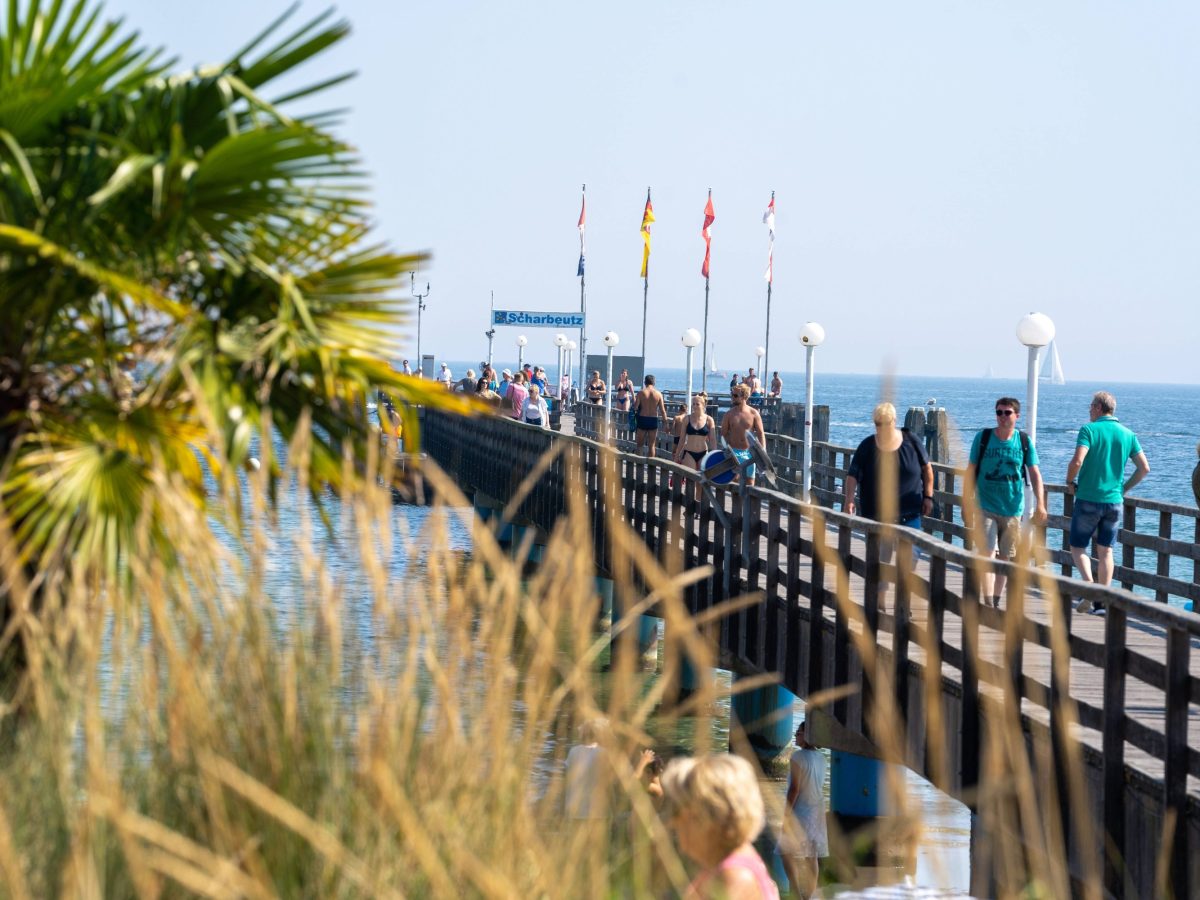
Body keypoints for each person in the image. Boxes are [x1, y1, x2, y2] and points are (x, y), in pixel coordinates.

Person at [844, 402, 934, 613]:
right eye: (877, 423)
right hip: (878, 517)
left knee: (909, 559)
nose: (880, 427)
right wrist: (849, 499)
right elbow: (852, 475)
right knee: (880, 562)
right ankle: (880, 603)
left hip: (909, 514)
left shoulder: (912, 442)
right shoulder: (867, 446)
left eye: (884, 423)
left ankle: (903, 603)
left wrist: (928, 496)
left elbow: (927, 470)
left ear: (893, 421)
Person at [1066, 391, 1150, 609]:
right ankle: (1102, 603)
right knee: (1106, 551)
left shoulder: (1088, 430)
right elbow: (1144, 468)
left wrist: (1069, 480)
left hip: (1087, 497)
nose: (1089, 410)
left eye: (1090, 406)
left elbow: (1077, 460)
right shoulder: (1128, 434)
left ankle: (1089, 587)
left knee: (1077, 547)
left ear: (1097, 407)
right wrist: (1124, 488)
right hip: (1114, 501)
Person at [963, 397, 1048, 608]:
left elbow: (1035, 473)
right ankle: (988, 600)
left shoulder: (1024, 442)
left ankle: (996, 599)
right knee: (987, 553)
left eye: (1007, 412)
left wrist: (1040, 504)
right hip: (985, 505)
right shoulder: (983, 438)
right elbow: (971, 470)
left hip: (1012, 509)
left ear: (1016, 416)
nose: (1002, 417)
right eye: (999, 412)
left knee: (1005, 557)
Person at [661, 754, 780, 900]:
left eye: (676, 810)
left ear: (705, 817)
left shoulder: (733, 876)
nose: (672, 821)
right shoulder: (733, 861)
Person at [778, 724, 828, 900]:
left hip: (800, 811)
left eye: (798, 733)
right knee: (811, 855)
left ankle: (794, 891)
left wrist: (786, 814)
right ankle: (808, 896)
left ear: (806, 736)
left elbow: (794, 789)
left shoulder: (797, 757)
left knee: (785, 851)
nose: (795, 735)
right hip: (816, 810)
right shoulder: (822, 758)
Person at [565, 718, 614, 820]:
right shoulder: (604, 753)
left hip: (573, 810)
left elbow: (567, 778)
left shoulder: (573, 751)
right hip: (595, 812)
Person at [720, 384, 766, 486]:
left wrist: (762, 453)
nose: (732, 397)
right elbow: (723, 435)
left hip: (749, 454)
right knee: (735, 484)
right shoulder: (729, 414)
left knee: (750, 485)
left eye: (735, 395)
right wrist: (727, 451)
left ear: (744, 396)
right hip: (734, 454)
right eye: (732, 395)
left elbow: (760, 434)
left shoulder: (754, 413)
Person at [674, 395, 717, 472]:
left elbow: (713, 440)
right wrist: (677, 456)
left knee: (701, 480)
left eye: (697, 404)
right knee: (691, 478)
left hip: (703, 453)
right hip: (689, 453)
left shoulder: (709, 420)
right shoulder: (687, 419)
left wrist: (715, 457)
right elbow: (682, 439)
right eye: (693, 404)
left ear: (703, 405)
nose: (694, 406)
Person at [633, 375, 668, 457]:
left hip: (642, 419)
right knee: (651, 445)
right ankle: (651, 467)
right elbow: (663, 411)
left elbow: (635, 407)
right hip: (653, 420)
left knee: (639, 445)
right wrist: (665, 424)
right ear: (654, 383)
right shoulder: (658, 394)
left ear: (645, 382)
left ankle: (639, 466)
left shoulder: (641, 393)